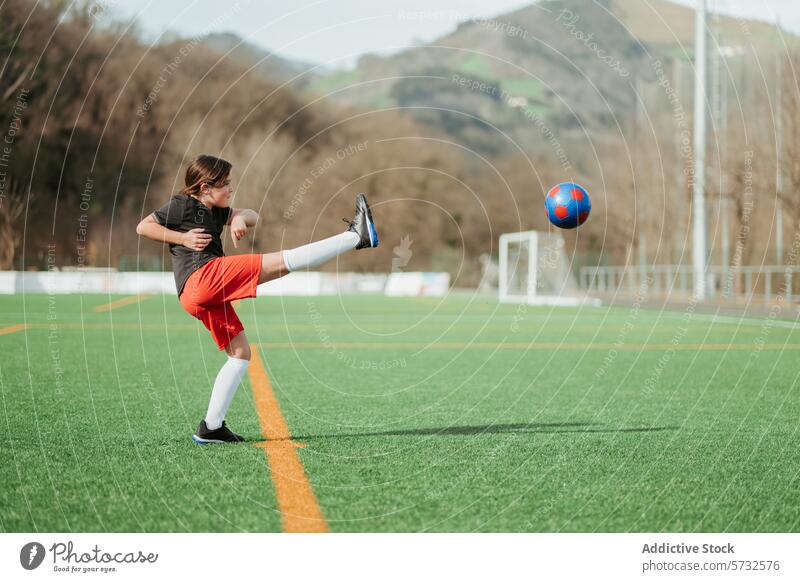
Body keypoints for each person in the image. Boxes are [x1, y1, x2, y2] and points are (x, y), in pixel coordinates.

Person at [136, 154, 378, 443]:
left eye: (229, 183)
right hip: (203, 277)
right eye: (224, 184)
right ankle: (355, 237)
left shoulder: (216, 209)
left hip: (195, 295)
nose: (230, 188)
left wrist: (238, 217)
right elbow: (144, 226)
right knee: (281, 262)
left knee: (240, 354)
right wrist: (183, 239)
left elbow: (253, 215)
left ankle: (211, 427)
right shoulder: (183, 204)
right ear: (204, 187)